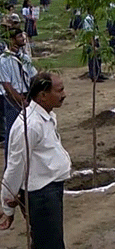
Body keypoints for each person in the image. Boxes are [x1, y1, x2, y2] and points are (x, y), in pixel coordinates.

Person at [0, 73, 71, 249]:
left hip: (51, 190)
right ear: (42, 95)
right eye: (59, 90)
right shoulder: (30, 125)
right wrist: (7, 206)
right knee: (49, 244)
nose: (64, 94)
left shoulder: (46, 116)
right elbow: (15, 167)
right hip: (42, 196)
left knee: (48, 241)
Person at [1, 28, 38, 160]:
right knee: (12, 132)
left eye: (22, 36)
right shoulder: (4, 60)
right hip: (13, 99)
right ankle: (10, 165)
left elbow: (33, 76)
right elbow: (7, 85)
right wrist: (20, 100)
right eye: (19, 36)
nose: (23, 38)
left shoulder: (24, 57)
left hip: (27, 94)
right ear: (12, 40)